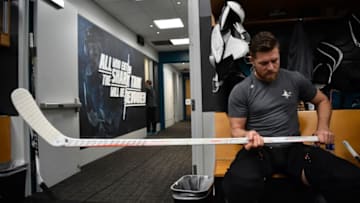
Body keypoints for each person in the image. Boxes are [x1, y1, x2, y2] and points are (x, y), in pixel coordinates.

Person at [222, 31, 360, 203]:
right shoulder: (241, 90)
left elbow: (322, 101)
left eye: (275, 60)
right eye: (264, 63)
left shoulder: (294, 79)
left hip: (293, 149)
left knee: (345, 176)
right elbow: (236, 130)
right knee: (238, 184)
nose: (271, 67)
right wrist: (247, 135)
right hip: (260, 151)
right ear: (252, 60)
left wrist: (323, 127)